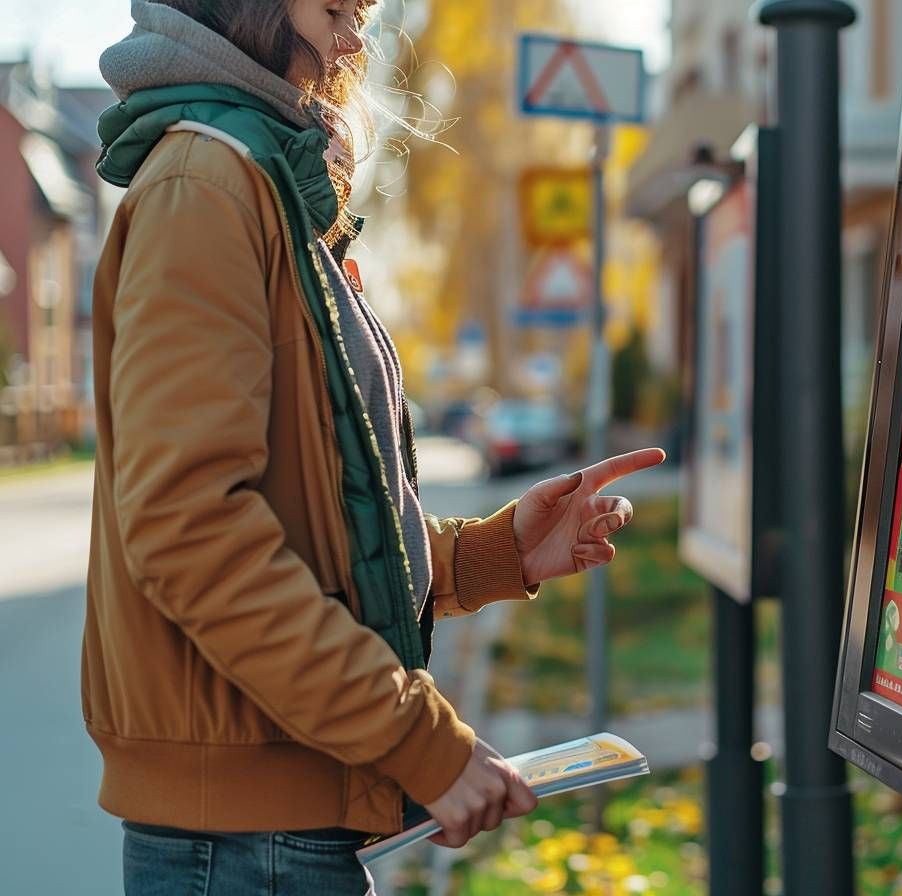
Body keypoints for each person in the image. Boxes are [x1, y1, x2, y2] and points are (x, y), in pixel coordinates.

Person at [85, 2, 664, 893]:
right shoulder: (207, 185)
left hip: (282, 822)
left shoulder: (262, 182)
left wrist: (489, 555)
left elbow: (318, 521)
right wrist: (416, 738)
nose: (357, 41)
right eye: (335, 10)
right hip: (246, 843)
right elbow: (192, 533)